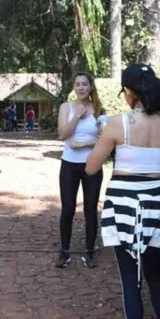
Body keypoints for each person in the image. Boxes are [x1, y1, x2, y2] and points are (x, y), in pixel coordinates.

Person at [86, 63, 160, 319]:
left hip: (124, 204)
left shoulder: (118, 124)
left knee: (130, 275)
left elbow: (91, 167)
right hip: (157, 201)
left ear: (130, 93)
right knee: (155, 273)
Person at [56, 72, 104, 269]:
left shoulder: (99, 110)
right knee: (67, 208)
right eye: (77, 84)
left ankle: (90, 251)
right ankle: (64, 251)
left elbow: (106, 139)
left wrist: (87, 144)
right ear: (74, 88)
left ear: (91, 87)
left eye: (85, 84)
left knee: (90, 209)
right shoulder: (66, 107)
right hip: (69, 164)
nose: (81, 88)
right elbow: (62, 135)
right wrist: (76, 116)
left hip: (92, 165)